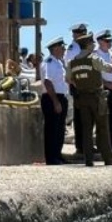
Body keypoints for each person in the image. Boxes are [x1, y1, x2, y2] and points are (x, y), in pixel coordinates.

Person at [67, 32, 112, 167]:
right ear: (89, 45)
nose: (93, 45)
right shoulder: (94, 59)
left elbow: (68, 79)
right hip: (97, 97)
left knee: (86, 129)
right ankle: (108, 159)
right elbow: (110, 69)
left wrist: (80, 84)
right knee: (102, 128)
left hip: (82, 97)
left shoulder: (72, 63)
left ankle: (88, 159)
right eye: (92, 43)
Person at [39, 37, 69, 165]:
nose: (64, 50)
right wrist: (56, 102)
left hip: (61, 96)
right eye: (62, 47)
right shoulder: (49, 62)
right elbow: (47, 82)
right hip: (52, 97)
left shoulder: (59, 62)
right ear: (55, 48)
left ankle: (58, 155)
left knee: (60, 129)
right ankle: (51, 157)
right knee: (52, 129)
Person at [64, 23, 89, 152]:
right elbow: (70, 66)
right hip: (77, 84)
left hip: (88, 84)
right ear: (75, 34)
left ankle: (88, 144)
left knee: (89, 116)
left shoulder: (86, 46)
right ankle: (81, 146)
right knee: (80, 117)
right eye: (80, 33)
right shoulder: (73, 48)